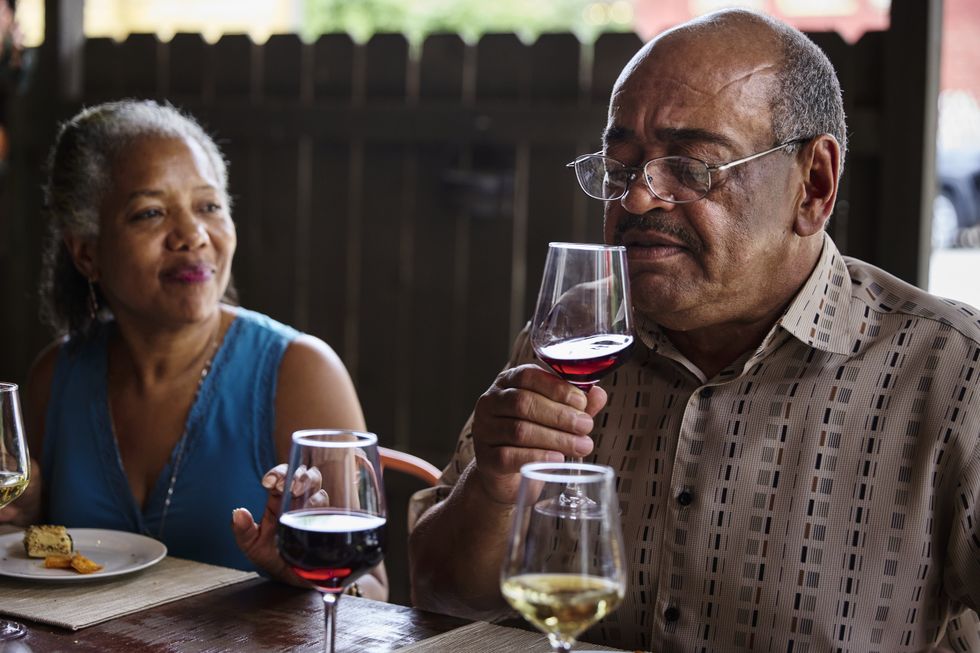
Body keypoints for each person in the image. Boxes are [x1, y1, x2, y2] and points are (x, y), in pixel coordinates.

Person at [408, 9, 979, 652]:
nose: (636, 200)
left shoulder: (954, 376)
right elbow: (437, 595)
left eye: (691, 166)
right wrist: (492, 490)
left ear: (814, 185)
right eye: (620, 167)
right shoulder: (573, 340)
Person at [0, 99, 386, 599]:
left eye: (209, 206)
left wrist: (309, 572)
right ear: (87, 252)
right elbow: (38, 558)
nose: (193, 235)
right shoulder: (55, 377)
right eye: (151, 213)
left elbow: (374, 588)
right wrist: (25, 515)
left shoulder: (300, 371)